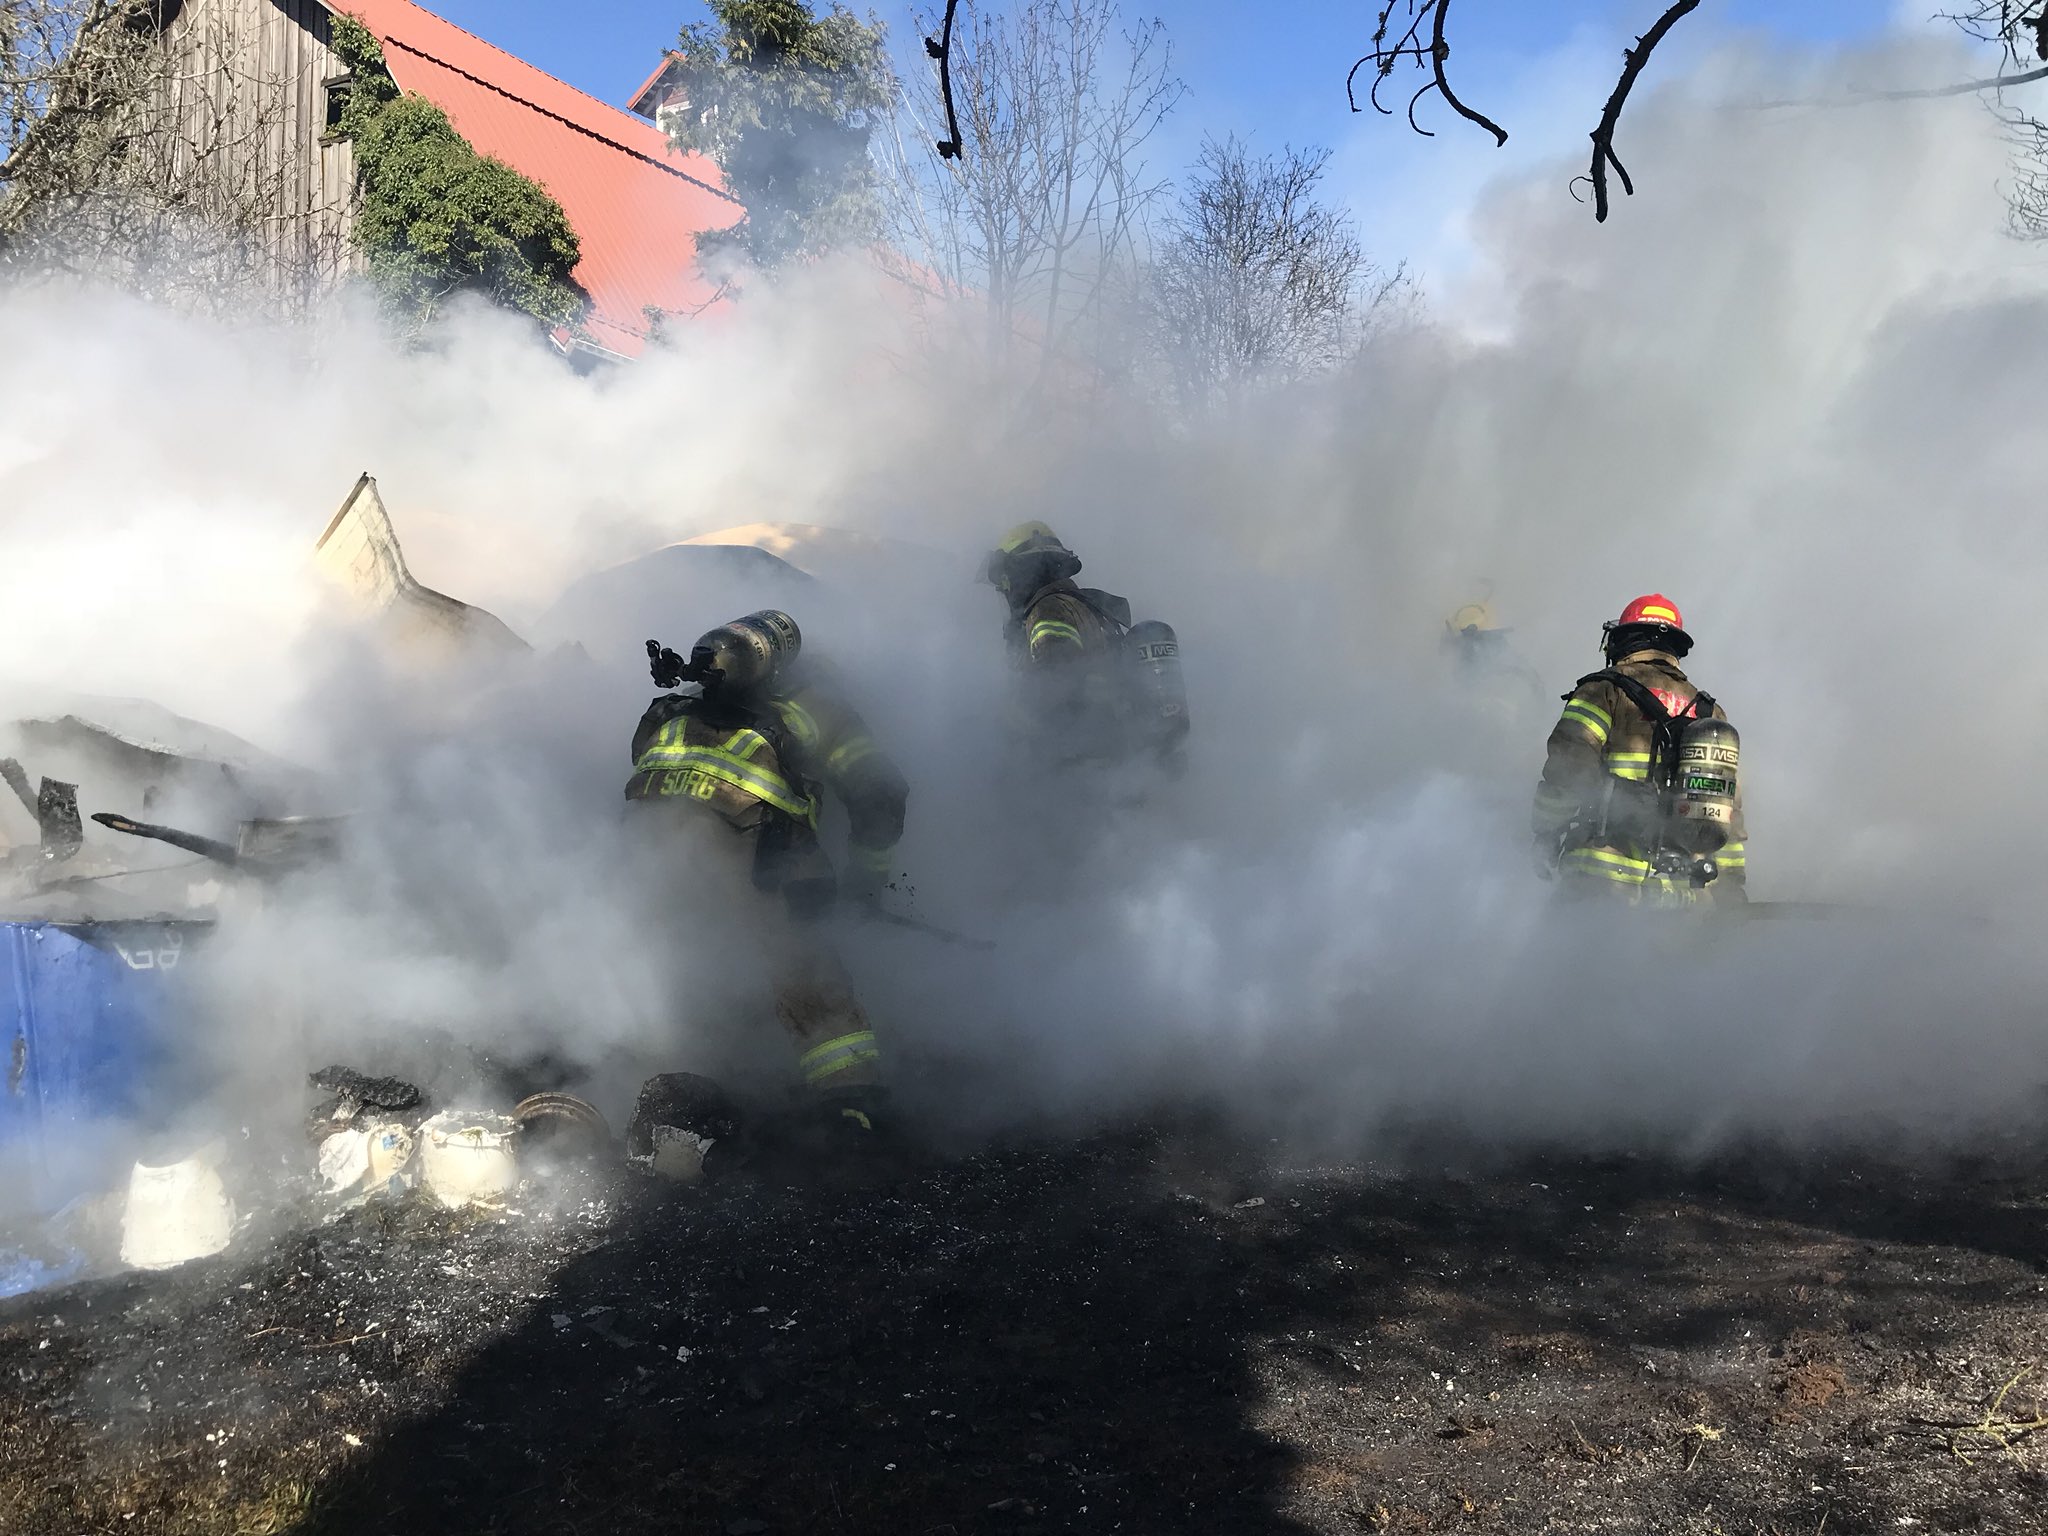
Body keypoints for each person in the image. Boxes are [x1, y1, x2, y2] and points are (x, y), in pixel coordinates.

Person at [625, 610, 909, 1143]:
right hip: (753, 855)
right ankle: (853, 1111)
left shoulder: (670, 711)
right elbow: (881, 794)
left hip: (641, 853)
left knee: (664, 962)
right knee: (808, 972)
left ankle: (633, 1081)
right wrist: (865, 883)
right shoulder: (820, 711)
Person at [1532, 594, 1746, 906]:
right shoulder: (1711, 715)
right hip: (1676, 892)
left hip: (1602, 879)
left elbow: (1569, 768)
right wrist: (1730, 890)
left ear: (1622, 640)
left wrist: (1544, 832)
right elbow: (1726, 812)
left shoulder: (1603, 691)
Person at [982, 521, 1188, 774]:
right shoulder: (1089, 607)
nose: (1006, 592)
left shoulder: (1048, 610)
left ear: (1020, 573)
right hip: (1114, 763)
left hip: (1083, 768)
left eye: (1005, 582)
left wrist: (998, 721)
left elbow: (1052, 689)